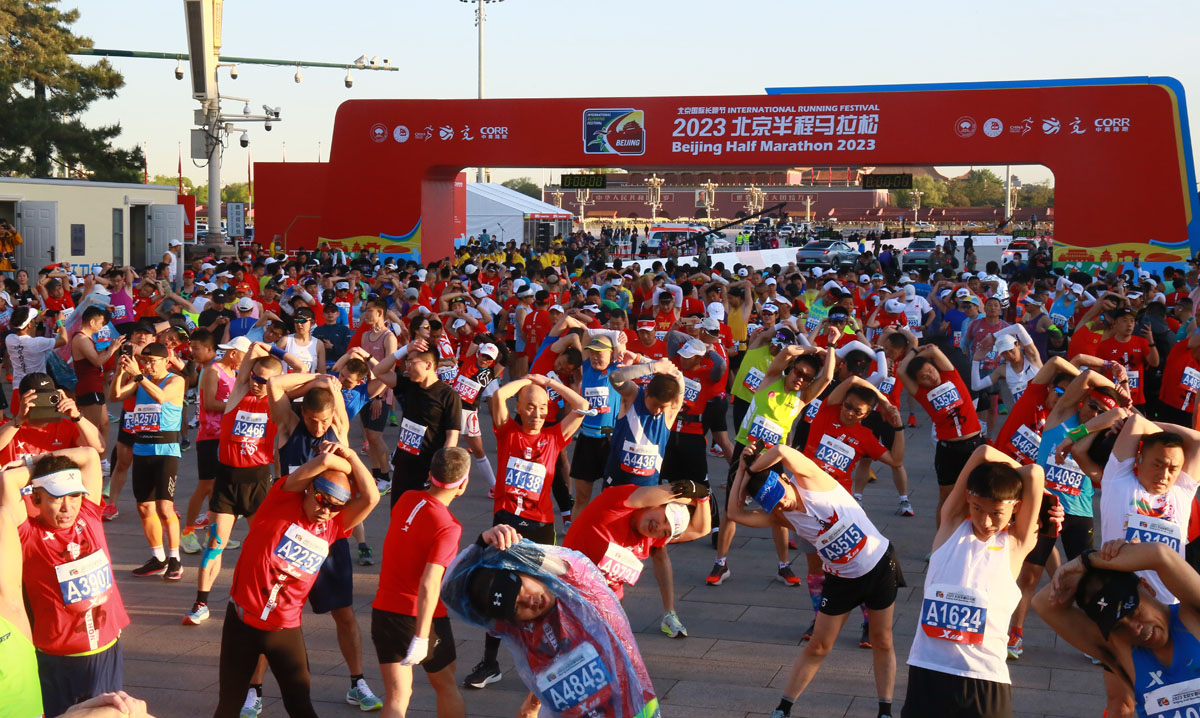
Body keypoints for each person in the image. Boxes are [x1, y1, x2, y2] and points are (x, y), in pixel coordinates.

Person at [731, 444, 902, 718]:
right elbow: (735, 514)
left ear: (785, 480)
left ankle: (885, 711)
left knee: (882, 640)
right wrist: (741, 474)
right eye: (773, 503)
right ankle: (783, 709)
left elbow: (782, 450)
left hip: (878, 566)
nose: (782, 503)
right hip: (841, 581)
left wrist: (751, 467)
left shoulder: (813, 482)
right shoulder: (783, 516)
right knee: (819, 646)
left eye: (780, 495)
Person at [212, 445, 380, 718]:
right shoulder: (281, 500)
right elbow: (325, 459)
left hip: (284, 630)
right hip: (242, 623)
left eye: (336, 507)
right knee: (229, 706)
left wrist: (350, 456)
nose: (325, 511)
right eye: (321, 499)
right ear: (309, 489)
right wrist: (341, 461)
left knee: (301, 707)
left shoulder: (334, 527)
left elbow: (371, 497)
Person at [443, 527, 661, 718]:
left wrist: (491, 545)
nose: (529, 600)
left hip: (634, 710)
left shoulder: (580, 592)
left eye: (519, 587)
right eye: (516, 607)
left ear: (521, 569)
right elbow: (450, 592)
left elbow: (552, 563)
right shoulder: (518, 628)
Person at [463, 371, 589, 690]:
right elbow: (496, 396)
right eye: (530, 407)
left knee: (545, 594)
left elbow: (583, 406)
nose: (537, 414)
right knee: (498, 592)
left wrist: (551, 386)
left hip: (541, 527)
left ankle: (553, 660)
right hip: (506, 524)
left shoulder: (554, 437)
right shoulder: (508, 431)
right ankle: (490, 663)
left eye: (543, 409)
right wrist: (528, 380)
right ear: (519, 407)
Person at [900, 446, 1044, 718]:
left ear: (1016, 508)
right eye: (978, 508)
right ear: (967, 498)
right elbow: (983, 452)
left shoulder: (1015, 543)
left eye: (997, 513)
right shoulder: (951, 527)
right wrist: (1009, 477)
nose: (986, 520)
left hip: (985, 675)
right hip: (929, 668)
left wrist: (1026, 487)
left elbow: (1035, 472)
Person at [1, 446, 130, 717]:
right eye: (56, 498)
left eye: (74, 496)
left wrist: (46, 461)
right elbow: (8, 480)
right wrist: (38, 466)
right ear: (35, 498)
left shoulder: (90, 516)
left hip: (104, 652)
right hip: (56, 658)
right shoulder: (28, 533)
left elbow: (90, 455)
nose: (68, 507)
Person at [1033, 539, 1200, 718]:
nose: (1135, 630)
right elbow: (1042, 603)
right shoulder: (1123, 651)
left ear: (1147, 587)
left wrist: (1088, 560)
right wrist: (1079, 576)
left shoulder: (1193, 616)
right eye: (1119, 626)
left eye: (1134, 611)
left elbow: (1159, 554)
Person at [184, 342, 283, 627]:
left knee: (265, 548)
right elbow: (252, 350)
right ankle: (200, 603)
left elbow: (302, 372)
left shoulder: (277, 403)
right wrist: (261, 348)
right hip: (227, 481)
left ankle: (267, 599)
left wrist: (278, 353)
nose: (256, 383)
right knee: (215, 543)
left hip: (257, 483)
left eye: (265, 380)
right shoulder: (238, 394)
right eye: (255, 377)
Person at [372, 447, 471, 718]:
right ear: (463, 484)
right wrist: (422, 636)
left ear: (431, 474)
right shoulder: (449, 526)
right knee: (447, 687)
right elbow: (429, 583)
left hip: (384, 611)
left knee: (397, 697)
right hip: (420, 616)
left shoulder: (406, 498)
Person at [112, 342, 186, 579]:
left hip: (166, 450)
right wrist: (121, 371)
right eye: (145, 360)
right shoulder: (140, 379)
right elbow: (114, 396)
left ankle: (175, 558)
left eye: (153, 360)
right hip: (142, 448)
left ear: (166, 361)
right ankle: (158, 557)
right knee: (144, 506)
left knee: (165, 507)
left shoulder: (175, 380)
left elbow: (162, 397)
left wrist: (138, 375)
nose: (148, 365)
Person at [898, 343, 985, 524]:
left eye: (931, 370)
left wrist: (920, 349)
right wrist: (914, 351)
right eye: (924, 377)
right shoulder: (921, 393)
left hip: (974, 445)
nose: (931, 376)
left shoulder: (951, 376)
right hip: (948, 449)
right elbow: (900, 371)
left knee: (979, 495)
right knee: (946, 497)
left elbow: (935, 350)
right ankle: (939, 546)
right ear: (918, 382)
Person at [373, 340, 463, 503]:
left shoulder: (449, 396)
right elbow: (379, 371)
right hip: (403, 467)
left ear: (429, 365)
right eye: (406, 361)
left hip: (427, 471)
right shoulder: (409, 386)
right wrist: (404, 349)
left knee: (421, 520)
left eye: (411, 362)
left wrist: (441, 469)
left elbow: (452, 437)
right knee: (398, 516)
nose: (407, 366)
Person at [71, 305, 126, 462]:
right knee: (91, 429)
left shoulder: (86, 339)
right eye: (101, 323)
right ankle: (88, 462)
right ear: (92, 322)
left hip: (94, 385)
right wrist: (113, 348)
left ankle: (102, 461)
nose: (102, 326)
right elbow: (97, 361)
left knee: (105, 424)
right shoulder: (81, 338)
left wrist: (109, 347)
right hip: (89, 387)